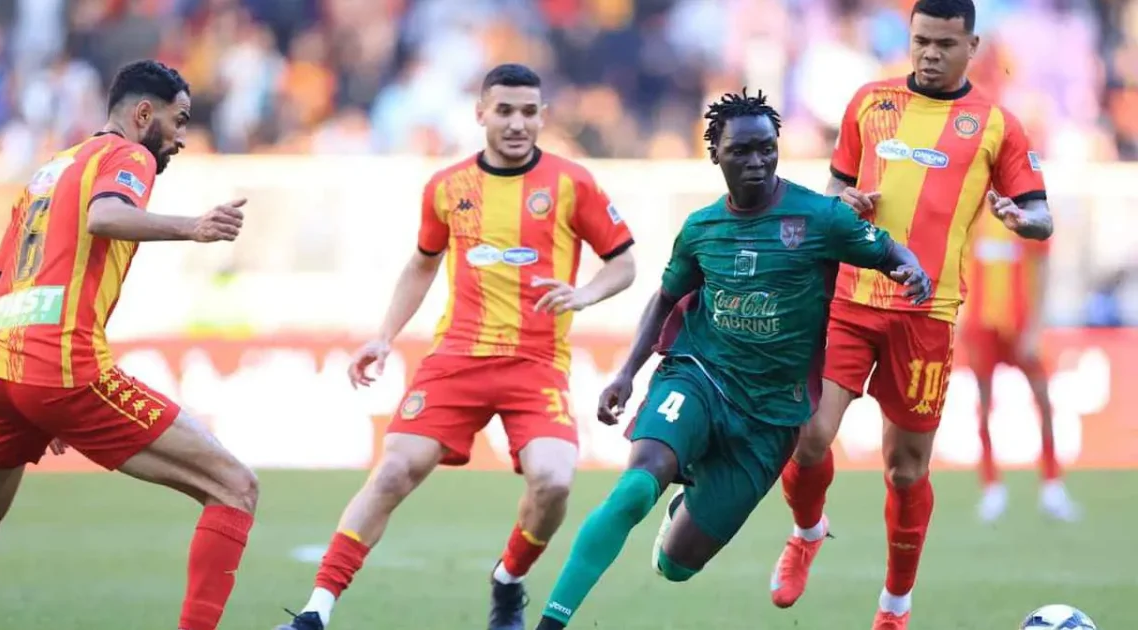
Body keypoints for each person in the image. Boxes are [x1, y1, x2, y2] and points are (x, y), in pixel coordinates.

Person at [532, 89, 933, 630]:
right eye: (741, 150)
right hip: (699, 375)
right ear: (715, 154)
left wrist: (911, 270)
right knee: (636, 486)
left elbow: (887, 251)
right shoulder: (701, 228)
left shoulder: (820, 217)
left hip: (771, 416)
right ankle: (551, 622)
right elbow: (666, 298)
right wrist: (627, 374)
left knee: (677, 566)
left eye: (766, 148)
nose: (757, 161)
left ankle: (687, 505)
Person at [276, 63, 637, 630]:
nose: (517, 123)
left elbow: (624, 262)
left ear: (543, 116)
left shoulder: (573, 183)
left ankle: (508, 579)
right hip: (457, 360)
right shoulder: (447, 187)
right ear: (480, 113)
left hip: (536, 364)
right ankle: (315, 611)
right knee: (393, 471)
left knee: (554, 482)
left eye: (528, 112)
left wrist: (585, 294)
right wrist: (384, 337)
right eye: (504, 110)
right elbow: (422, 264)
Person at [0, 60, 258, 630]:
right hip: (61, 367)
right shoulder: (128, 155)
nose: (181, 137)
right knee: (235, 487)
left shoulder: (49, 173)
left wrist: (39, 398)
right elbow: (105, 216)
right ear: (144, 113)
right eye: (179, 120)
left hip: (4, 367)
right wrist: (193, 227)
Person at [768, 0, 1055, 627]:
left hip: (927, 316)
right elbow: (834, 189)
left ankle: (894, 605)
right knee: (807, 435)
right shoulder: (869, 102)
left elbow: (1042, 215)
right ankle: (808, 532)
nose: (929, 53)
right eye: (921, 40)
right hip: (850, 299)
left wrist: (1020, 218)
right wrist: (846, 203)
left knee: (905, 470)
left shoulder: (998, 126)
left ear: (971, 47)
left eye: (945, 44)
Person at [962, 211, 1079, 522]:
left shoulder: (1026, 217)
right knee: (984, 406)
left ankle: (1052, 486)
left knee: (1044, 401)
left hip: (1021, 325)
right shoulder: (973, 214)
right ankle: (991, 487)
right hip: (981, 326)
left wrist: (1035, 328)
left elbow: (1042, 269)